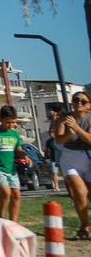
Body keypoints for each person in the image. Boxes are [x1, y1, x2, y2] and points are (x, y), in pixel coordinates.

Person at [50, 91, 91, 239]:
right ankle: (85, 225)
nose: (79, 103)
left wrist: (77, 129)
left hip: (89, 157)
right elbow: (59, 140)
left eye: (83, 101)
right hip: (71, 159)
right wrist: (70, 134)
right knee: (80, 193)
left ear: (89, 105)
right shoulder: (64, 118)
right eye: (75, 100)